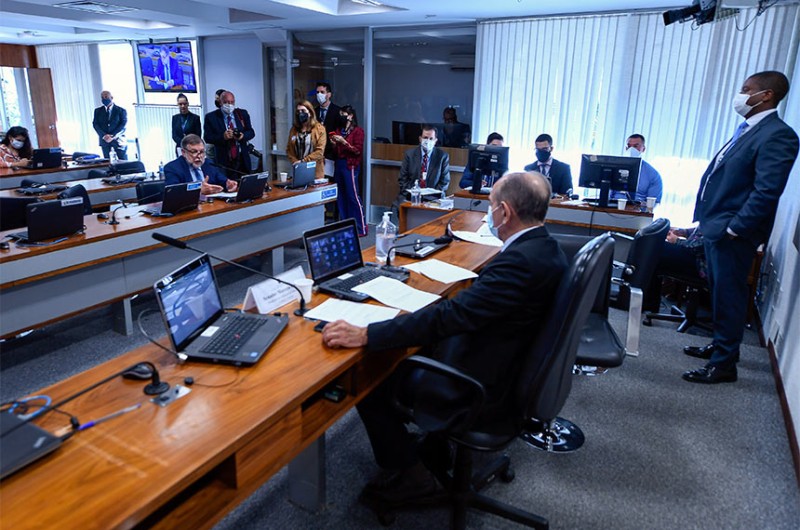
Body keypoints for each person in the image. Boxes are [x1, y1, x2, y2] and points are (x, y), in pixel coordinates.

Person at [322, 171, 568, 503]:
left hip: (484, 383)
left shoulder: (519, 263)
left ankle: (411, 473)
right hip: (510, 360)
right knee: (421, 333)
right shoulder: (546, 248)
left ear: (505, 212)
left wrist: (368, 333)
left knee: (370, 376)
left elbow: (450, 317)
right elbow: (464, 311)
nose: (488, 213)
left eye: (490, 205)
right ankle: (435, 447)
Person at [683, 70, 799, 384]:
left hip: (732, 233)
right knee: (721, 293)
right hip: (716, 226)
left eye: (746, 89)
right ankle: (722, 348)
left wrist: (735, 228)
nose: (740, 94)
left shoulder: (778, 134)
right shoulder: (748, 129)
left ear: (766, 96)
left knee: (731, 296)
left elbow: (766, 191)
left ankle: (723, 366)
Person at [329, 105, 367, 236]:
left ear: (351, 116)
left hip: (350, 166)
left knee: (353, 196)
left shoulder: (358, 131)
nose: (341, 116)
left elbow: (357, 151)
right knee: (341, 196)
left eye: (344, 114)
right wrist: (335, 144)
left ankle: (361, 227)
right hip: (338, 165)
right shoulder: (339, 130)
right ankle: (345, 227)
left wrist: (344, 142)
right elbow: (337, 152)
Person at [394, 124, 450, 211]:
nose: (427, 141)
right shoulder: (409, 155)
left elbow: (444, 182)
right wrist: (415, 195)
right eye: (425, 138)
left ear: (435, 141)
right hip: (411, 197)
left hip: (433, 199)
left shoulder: (442, 157)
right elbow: (403, 180)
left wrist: (429, 198)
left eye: (431, 139)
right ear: (420, 139)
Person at [203, 90, 255, 179]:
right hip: (223, 160)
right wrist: (223, 137)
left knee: (245, 187)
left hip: (242, 157)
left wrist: (242, 136)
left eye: (231, 102)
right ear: (220, 102)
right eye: (226, 102)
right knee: (226, 186)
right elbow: (207, 138)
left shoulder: (242, 114)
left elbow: (251, 132)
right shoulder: (211, 117)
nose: (229, 105)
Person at [164, 134, 238, 196]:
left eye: (202, 152)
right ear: (183, 152)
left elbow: (222, 180)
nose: (199, 156)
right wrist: (199, 191)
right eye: (194, 152)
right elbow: (173, 194)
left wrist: (228, 184)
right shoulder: (173, 168)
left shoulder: (208, 164)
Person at [612, 134, 663, 203]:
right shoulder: (615, 168)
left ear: (643, 149)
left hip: (638, 210)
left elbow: (654, 202)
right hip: (614, 207)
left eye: (636, 146)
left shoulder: (653, 174)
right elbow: (607, 193)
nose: (631, 149)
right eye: (629, 146)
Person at [286, 100, 326, 180]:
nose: (300, 113)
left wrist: (303, 162)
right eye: (298, 111)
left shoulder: (319, 129)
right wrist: (295, 162)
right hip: (298, 170)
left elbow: (319, 151)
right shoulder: (294, 129)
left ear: (310, 113)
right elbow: (289, 149)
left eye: (303, 111)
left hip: (315, 171)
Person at [314, 82, 341, 178]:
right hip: (316, 155)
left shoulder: (337, 111)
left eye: (322, 92)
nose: (319, 95)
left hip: (331, 155)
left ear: (329, 94)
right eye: (317, 92)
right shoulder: (314, 112)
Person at [92, 90, 128, 160]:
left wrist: (112, 135)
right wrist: (104, 135)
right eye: (102, 98)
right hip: (104, 141)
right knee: (107, 162)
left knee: (123, 162)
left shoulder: (121, 110)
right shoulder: (98, 111)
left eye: (106, 97)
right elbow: (95, 124)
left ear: (111, 97)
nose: (104, 99)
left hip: (118, 140)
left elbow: (123, 124)